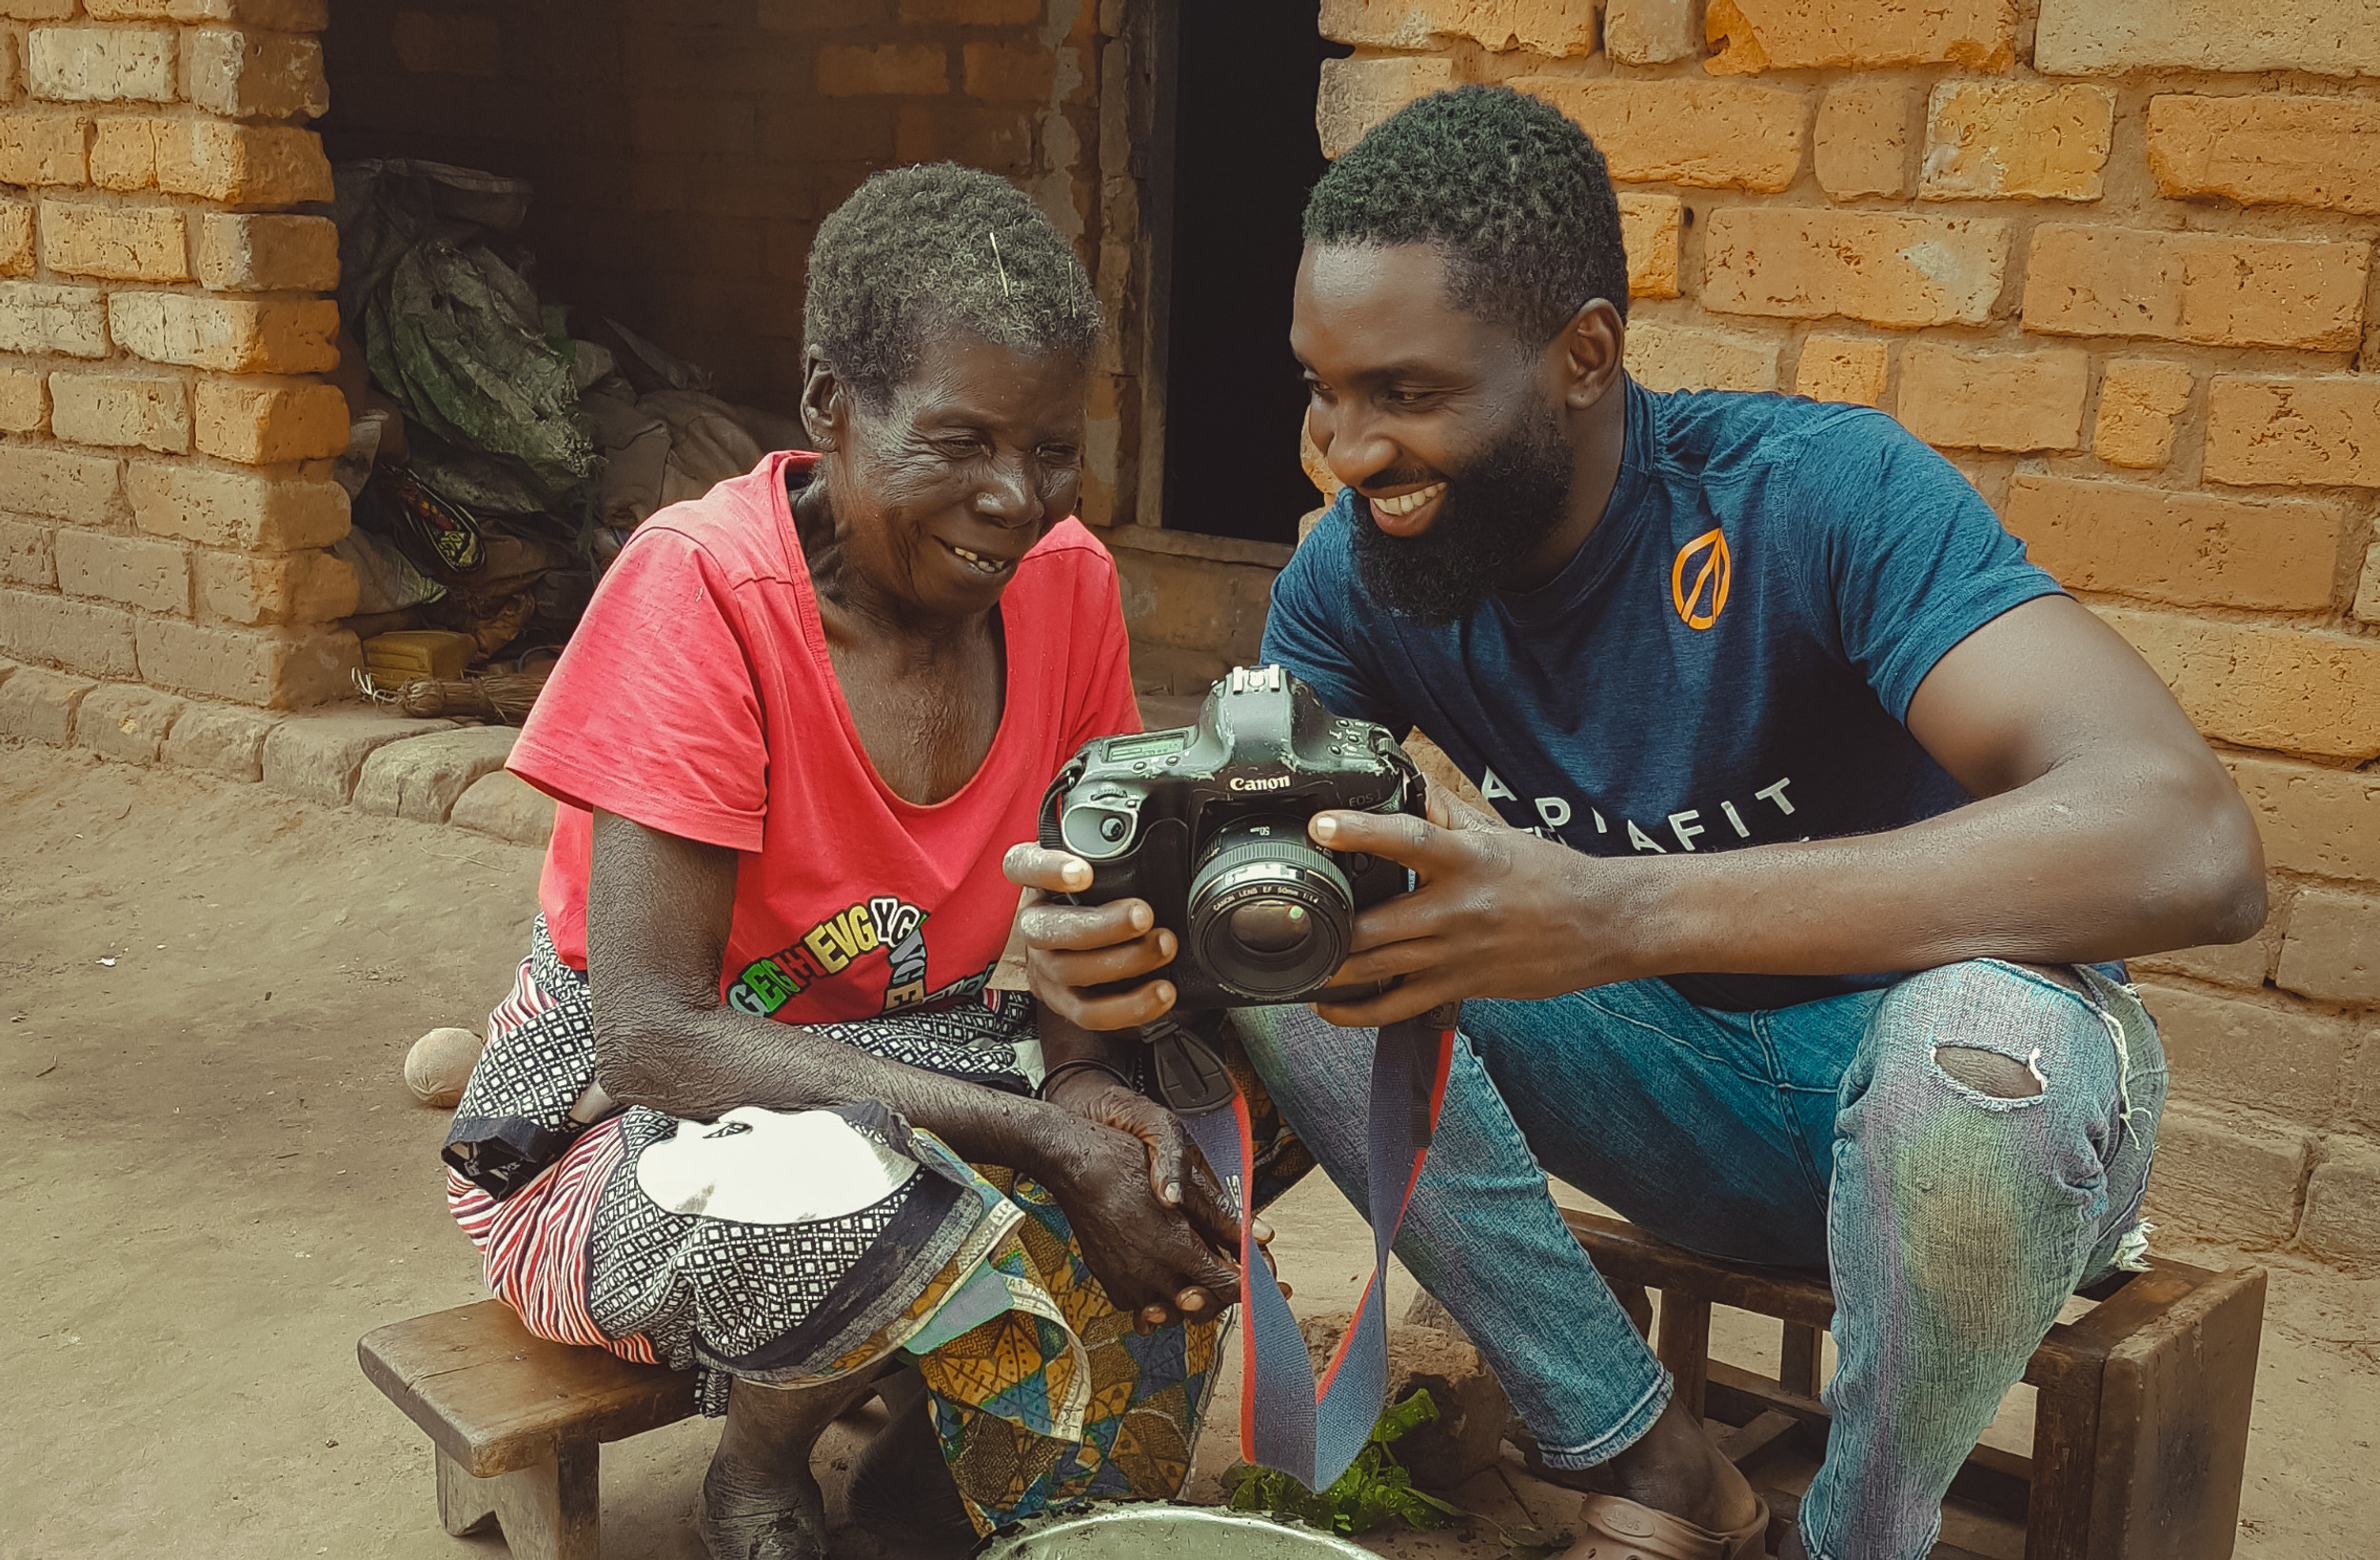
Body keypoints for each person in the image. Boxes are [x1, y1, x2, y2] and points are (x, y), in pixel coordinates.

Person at [1009, 87, 2264, 1560]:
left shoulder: (1819, 499)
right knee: (1311, 962)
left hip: (1965, 1111)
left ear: (1583, 356)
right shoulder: (1355, 580)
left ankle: (1854, 1537)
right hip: (1676, 1096)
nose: (1343, 450)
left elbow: (2192, 843)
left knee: (1983, 1048)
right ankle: (1641, 1452)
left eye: (1405, 395)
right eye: (1321, 390)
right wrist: (1101, 967)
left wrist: (1614, 912)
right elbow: (1236, 877)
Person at [440, 164, 1281, 1560]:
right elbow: (654, 1036)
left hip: (912, 1054)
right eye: (957, 440)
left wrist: (1082, 1076)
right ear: (831, 406)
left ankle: (918, 1445)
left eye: (1053, 449)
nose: (1016, 499)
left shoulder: (1065, 584)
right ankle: (760, 1461)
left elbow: (1087, 893)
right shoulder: (700, 591)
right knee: (842, 1196)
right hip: (623, 1135)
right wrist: (1039, 1131)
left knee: (1222, 1086)